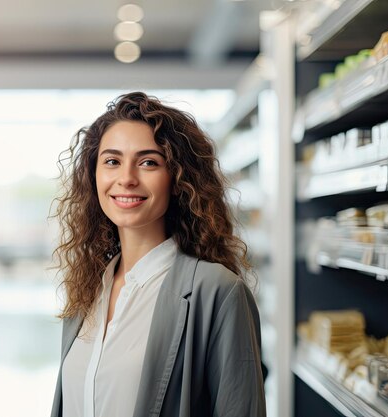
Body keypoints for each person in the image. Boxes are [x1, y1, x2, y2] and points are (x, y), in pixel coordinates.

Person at [50, 91, 266, 417]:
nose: (126, 178)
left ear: (178, 179)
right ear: (93, 175)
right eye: (112, 161)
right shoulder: (88, 289)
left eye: (148, 162)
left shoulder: (218, 291)